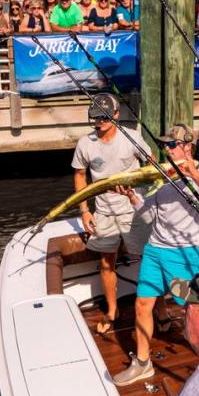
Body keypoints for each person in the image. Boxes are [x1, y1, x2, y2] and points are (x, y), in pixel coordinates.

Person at [112, 124, 199, 386]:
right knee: (142, 305)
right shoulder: (164, 178)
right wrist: (132, 197)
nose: (167, 149)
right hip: (155, 252)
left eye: (172, 145)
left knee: (192, 309)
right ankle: (142, 363)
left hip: (182, 256)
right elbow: (150, 215)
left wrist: (194, 174)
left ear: (187, 146)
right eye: (166, 145)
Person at [72, 94, 152, 334]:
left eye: (106, 115)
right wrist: (85, 210)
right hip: (104, 211)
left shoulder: (132, 138)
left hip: (133, 209)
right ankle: (112, 310)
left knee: (148, 259)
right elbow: (79, 175)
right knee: (106, 261)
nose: (101, 120)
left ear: (116, 115)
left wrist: (137, 189)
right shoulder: (85, 143)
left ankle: (159, 309)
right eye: (96, 116)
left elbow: (151, 164)